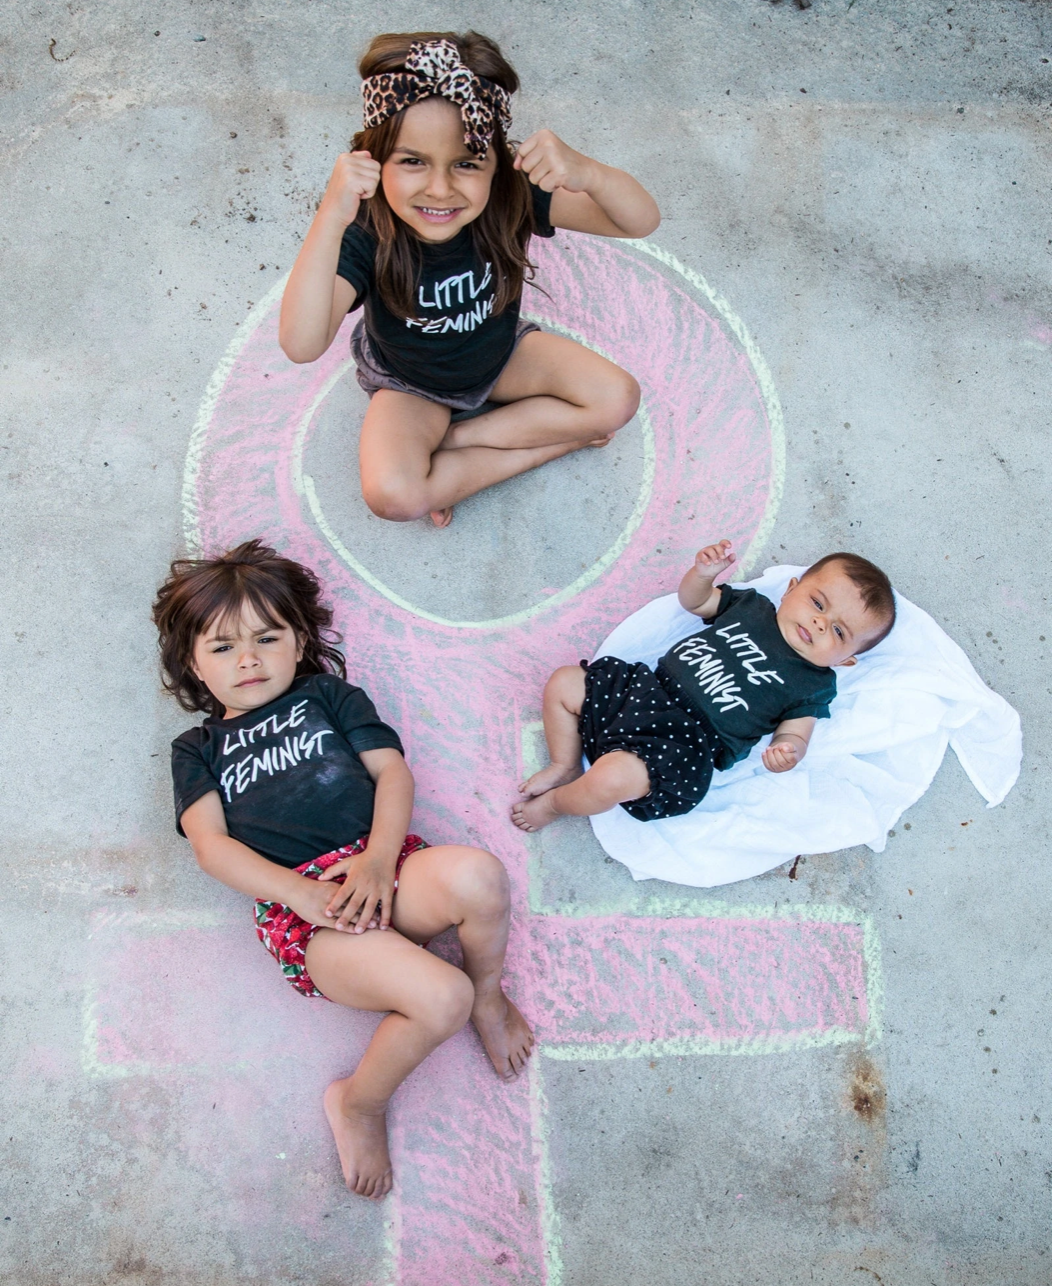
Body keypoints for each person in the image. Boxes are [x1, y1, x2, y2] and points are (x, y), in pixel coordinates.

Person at [152, 540, 533, 1200]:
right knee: (442, 999)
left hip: (382, 864)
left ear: (299, 642)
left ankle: (491, 992)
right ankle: (358, 1101)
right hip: (310, 917)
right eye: (221, 648)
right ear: (193, 664)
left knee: (479, 876)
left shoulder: (328, 696)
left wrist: (381, 860)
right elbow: (212, 847)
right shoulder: (199, 749)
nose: (247, 659)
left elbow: (392, 773)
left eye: (266, 638)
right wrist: (298, 893)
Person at [278, 30, 660, 527]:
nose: (440, 189)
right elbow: (302, 343)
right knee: (392, 495)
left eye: (466, 163)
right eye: (412, 161)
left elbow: (639, 221)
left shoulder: (511, 194)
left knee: (617, 399)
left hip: (502, 354)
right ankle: (540, 446)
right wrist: (331, 213)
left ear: (498, 164)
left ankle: (456, 448)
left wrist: (586, 171)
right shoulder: (367, 227)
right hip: (410, 381)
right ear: (371, 160)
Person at [512, 540, 896, 831]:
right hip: (645, 691)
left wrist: (787, 750)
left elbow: (797, 732)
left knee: (610, 780)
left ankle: (556, 805)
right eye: (817, 603)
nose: (819, 623)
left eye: (838, 631)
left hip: (685, 744)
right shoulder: (751, 607)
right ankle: (565, 764)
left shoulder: (813, 682)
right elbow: (694, 602)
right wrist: (703, 574)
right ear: (791, 589)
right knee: (565, 683)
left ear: (845, 660)